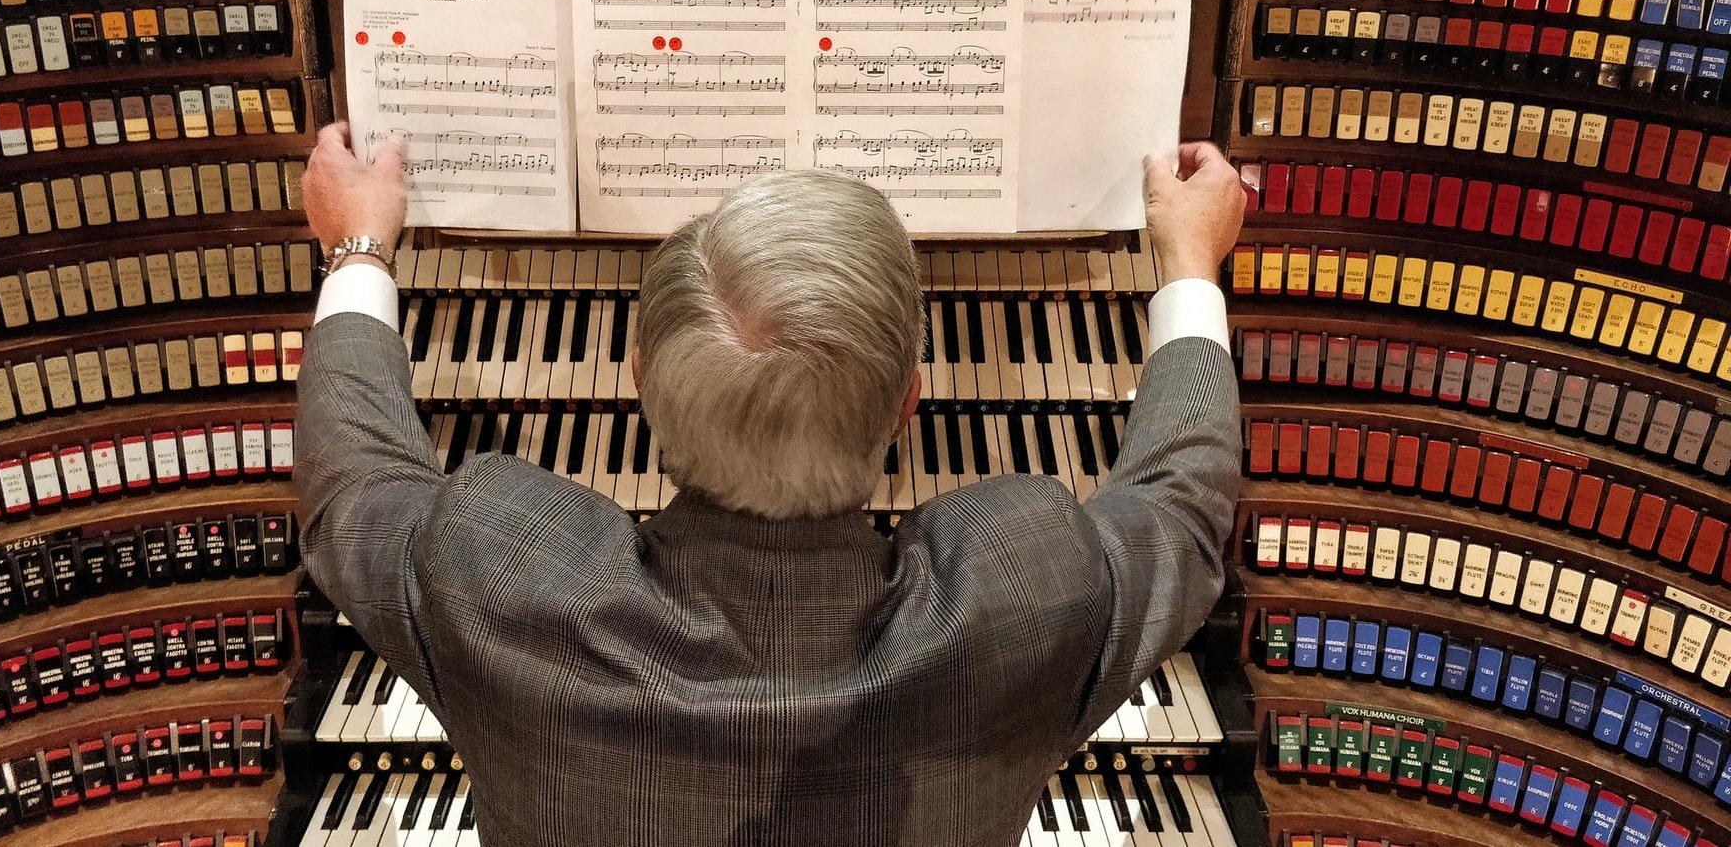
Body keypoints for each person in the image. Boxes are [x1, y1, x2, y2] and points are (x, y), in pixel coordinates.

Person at [296, 121, 1244, 846]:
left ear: (637, 383)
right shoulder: (1026, 599)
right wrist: (1190, 264)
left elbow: (355, 485)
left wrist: (358, 249)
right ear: (909, 402)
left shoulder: (497, 580)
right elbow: (1182, 509)